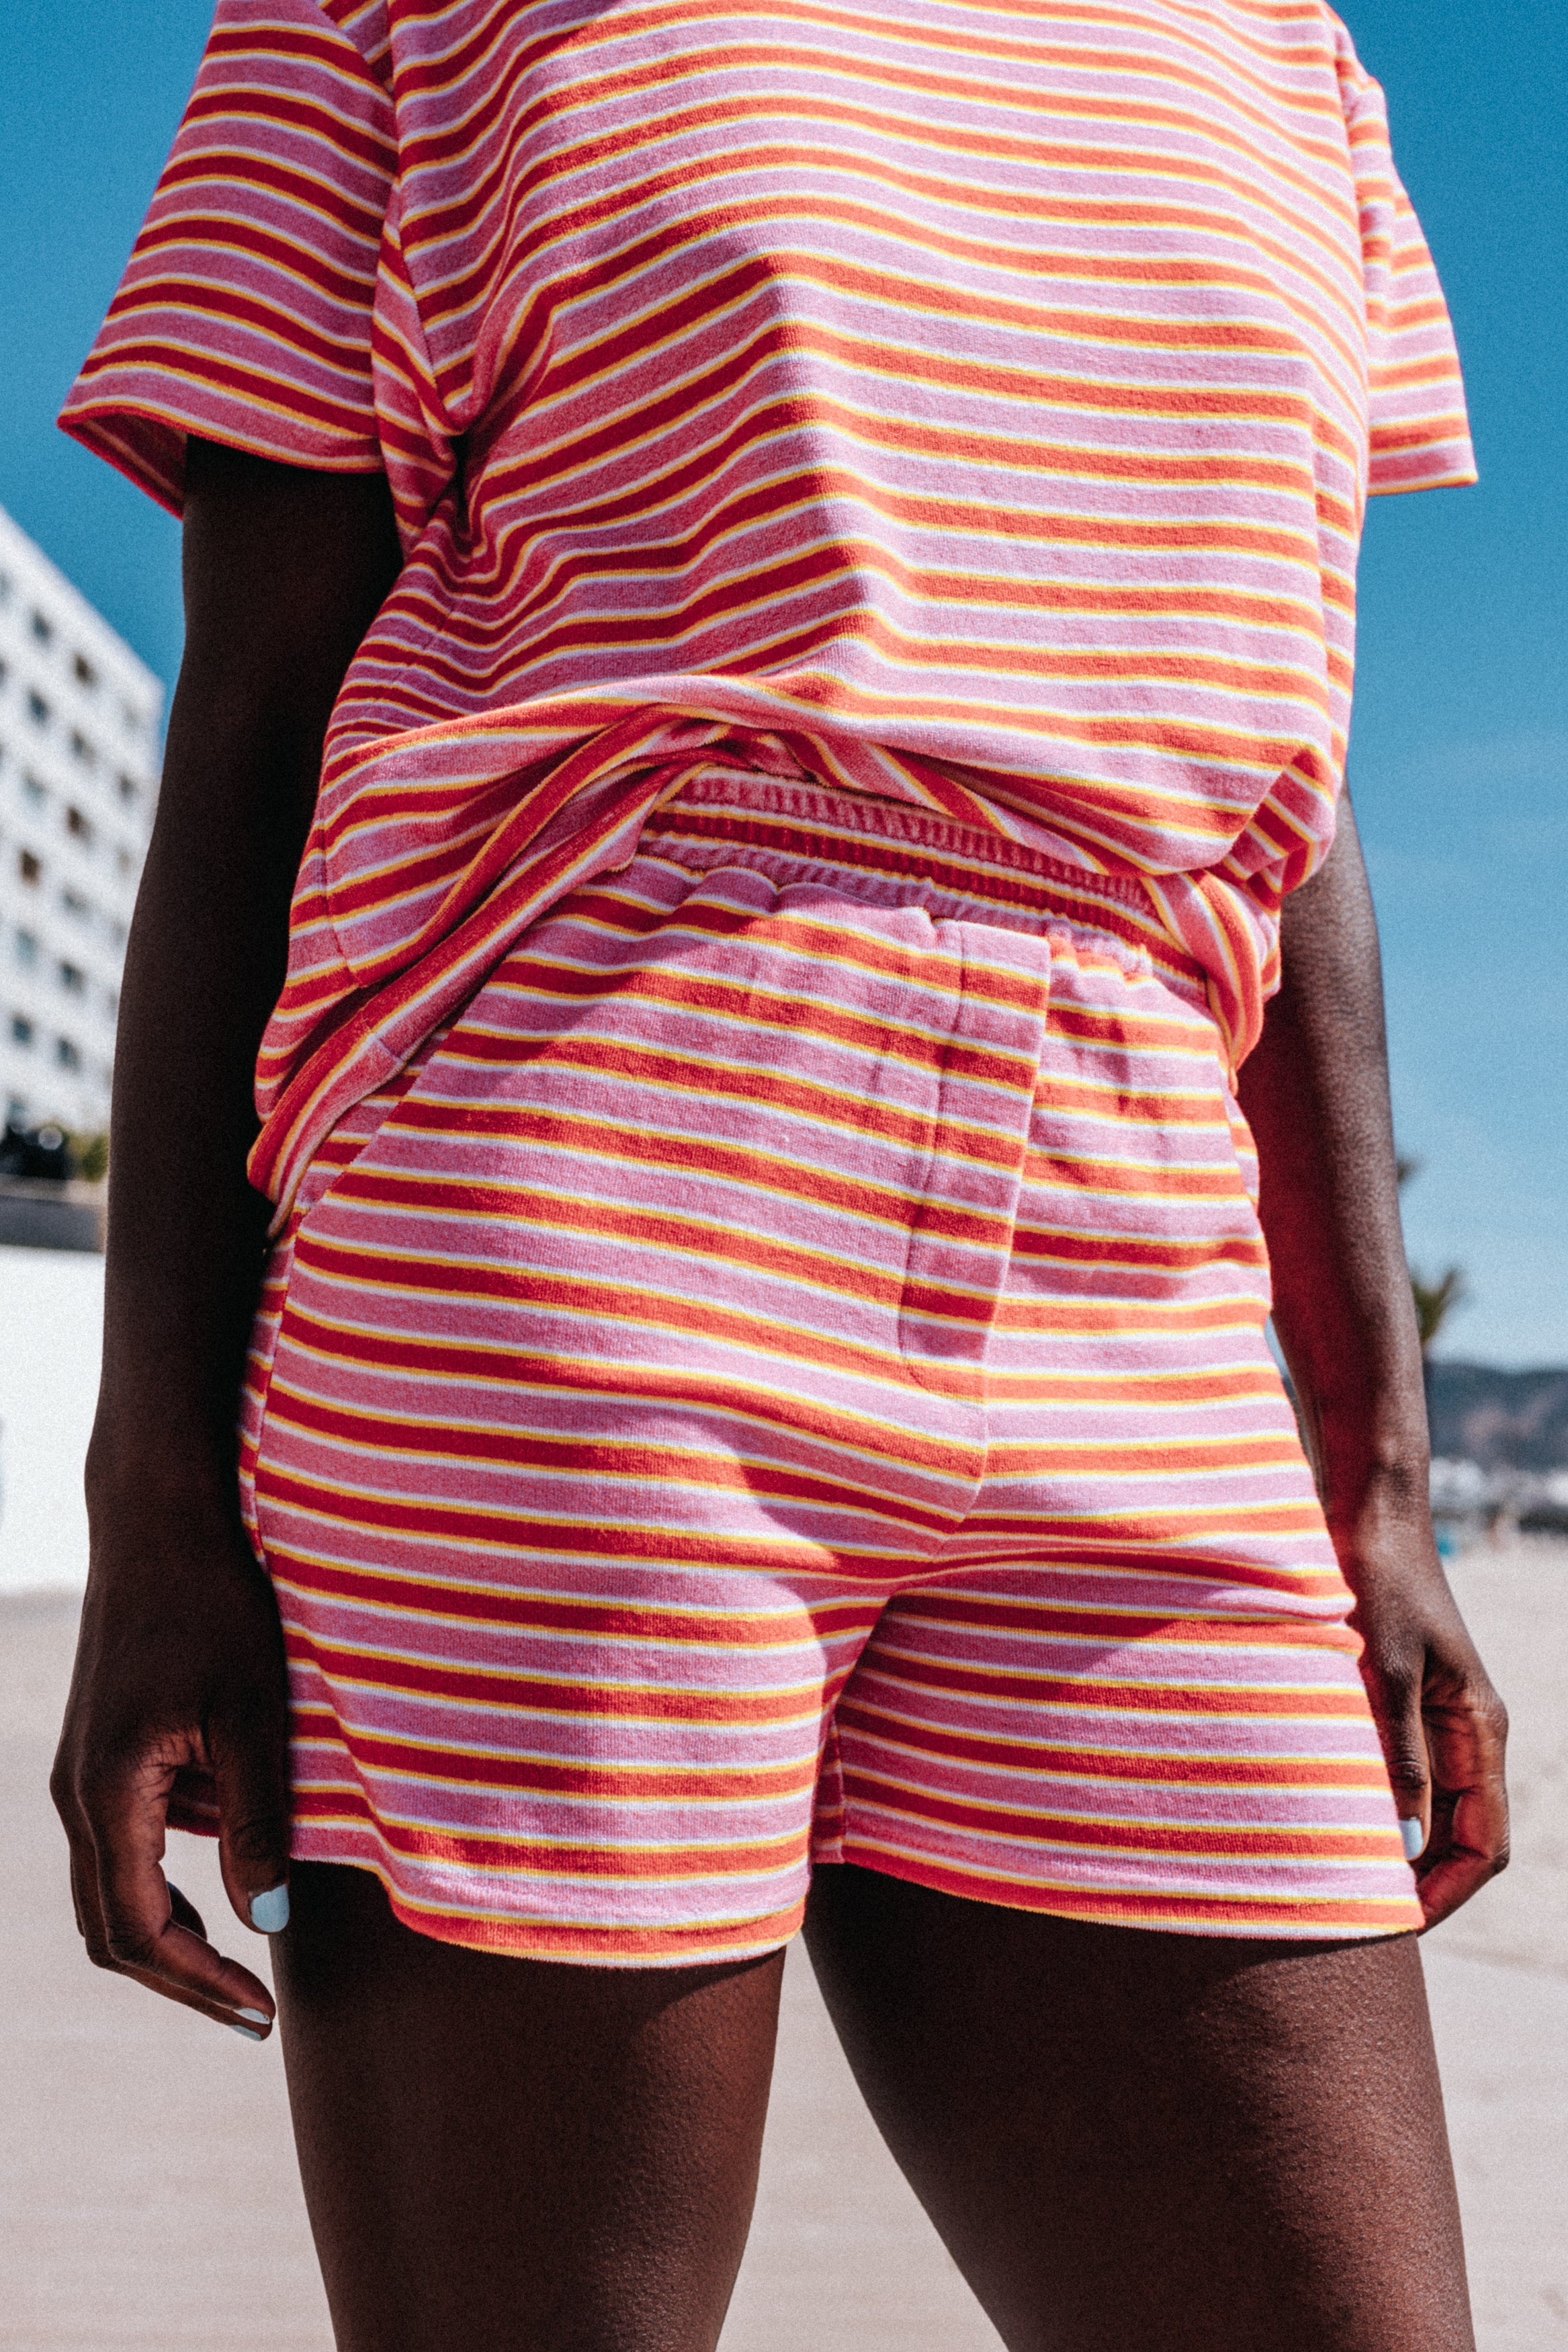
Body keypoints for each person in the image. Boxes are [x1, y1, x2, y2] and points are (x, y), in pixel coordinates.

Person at [51, 1, 1509, 2345]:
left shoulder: (1285, 54)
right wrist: (156, 1492)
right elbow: (252, 709)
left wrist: (1380, 1471)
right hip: (571, 1232)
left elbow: (1285, 766)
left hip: (1141, 1247)